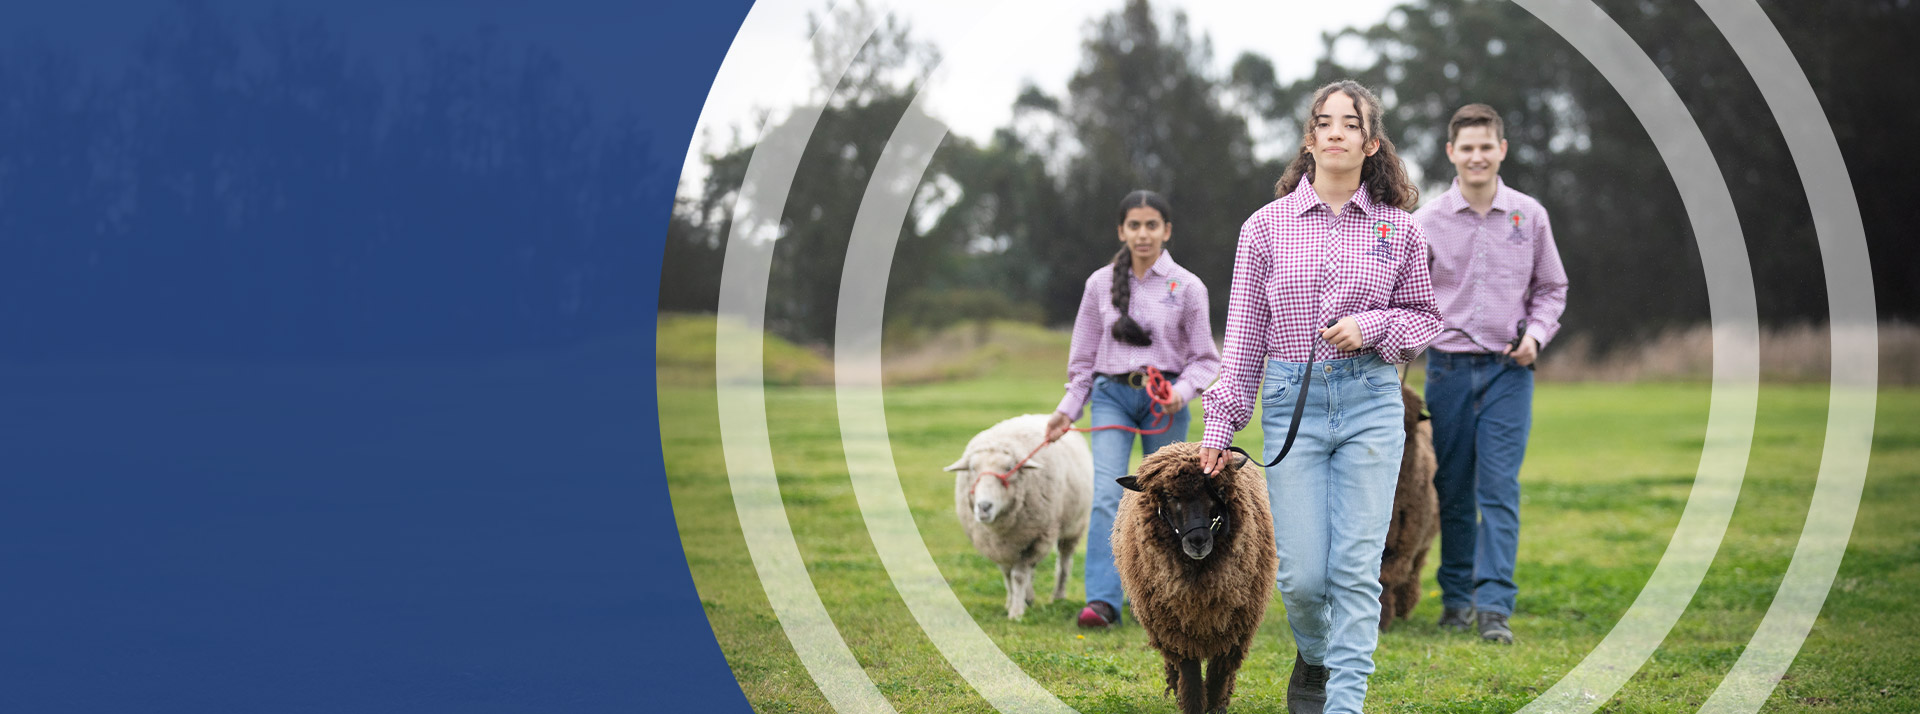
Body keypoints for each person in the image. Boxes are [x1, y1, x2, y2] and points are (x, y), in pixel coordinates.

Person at [1196, 80, 1441, 714]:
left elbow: (1424, 318)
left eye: (1350, 124)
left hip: (1371, 404)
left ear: (1371, 142)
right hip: (1290, 405)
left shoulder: (1401, 230)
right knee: (1303, 578)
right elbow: (1246, 337)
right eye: (1324, 122)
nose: (1336, 132)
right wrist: (1219, 431)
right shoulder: (1264, 228)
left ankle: (1343, 704)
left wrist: (1374, 327)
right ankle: (1315, 653)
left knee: (1355, 573)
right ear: (1309, 140)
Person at [1412, 103, 1569, 645]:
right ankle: (1455, 599)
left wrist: (1537, 336)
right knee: (1452, 488)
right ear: (1451, 153)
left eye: (1487, 146)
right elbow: (1406, 295)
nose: (1477, 156)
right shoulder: (1425, 221)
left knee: (1499, 488)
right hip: (1448, 372)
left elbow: (1552, 288)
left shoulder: (1530, 215)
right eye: (1467, 147)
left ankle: (1494, 606)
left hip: (1509, 372)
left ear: (1501, 150)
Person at [1044, 190, 1221, 630]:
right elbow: (1083, 361)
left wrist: (1181, 393)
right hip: (1111, 397)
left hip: (1166, 404)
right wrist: (1067, 410)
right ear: (1122, 231)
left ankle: (1168, 598)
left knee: (1172, 500)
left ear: (1166, 230)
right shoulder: (1098, 285)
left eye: (1152, 225)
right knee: (1109, 495)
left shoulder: (1188, 287)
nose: (1143, 234)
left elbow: (1205, 360)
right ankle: (1103, 601)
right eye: (1135, 226)